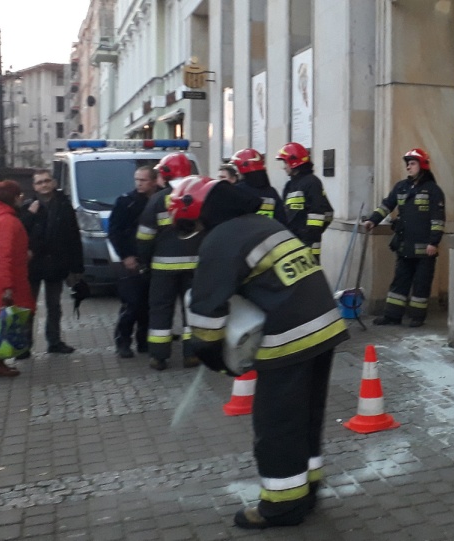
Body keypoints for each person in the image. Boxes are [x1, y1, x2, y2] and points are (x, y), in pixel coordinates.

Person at [171, 176, 348, 529]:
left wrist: (209, 353)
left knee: (277, 424)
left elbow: (206, 315)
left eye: (191, 222)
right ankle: (307, 488)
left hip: (290, 336)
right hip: (325, 326)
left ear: (199, 213)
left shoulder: (221, 239)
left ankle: (281, 507)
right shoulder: (264, 225)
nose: (194, 229)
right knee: (306, 416)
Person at [362, 148, 445, 328]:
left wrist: (434, 242)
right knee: (400, 281)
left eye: (412, 163)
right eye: (407, 163)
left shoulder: (433, 190)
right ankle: (392, 316)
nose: (408, 166)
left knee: (421, 284)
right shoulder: (401, 187)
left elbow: (438, 219)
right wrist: (372, 220)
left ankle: (417, 317)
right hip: (404, 245)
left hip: (425, 248)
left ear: (422, 165)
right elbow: (386, 205)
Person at [137, 152, 200, 371]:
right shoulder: (200, 195)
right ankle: (191, 354)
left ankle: (159, 356)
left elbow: (145, 236)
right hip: (195, 266)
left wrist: (143, 262)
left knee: (160, 310)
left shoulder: (157, 200)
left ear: (165, 174)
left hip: (163, 268)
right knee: (192, 309)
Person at [18, 170, 84, 355]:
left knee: (54, 305)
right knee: (28, 306)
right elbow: (19, 231)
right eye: (39, 182)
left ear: (53, 183)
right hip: (33, 265)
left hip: (56, 264)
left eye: (47, 181)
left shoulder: (64, 205)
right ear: (34, 186)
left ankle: (54, 342)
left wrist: (77, 267)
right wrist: (30, 214)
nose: (44, 185)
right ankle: (24, 345)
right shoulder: (28, 206)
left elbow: (74, 236)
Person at [108, 166, 159, 358]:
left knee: (148, 304)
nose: (138, 183)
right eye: (137, 179)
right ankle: (123, 341)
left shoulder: (159, 200)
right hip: (132, 260)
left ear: (154, 181)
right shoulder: (125, 202)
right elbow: (114, 232)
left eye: (143, 180)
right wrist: (125, 256)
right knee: (132, 304)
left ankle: (143, 341)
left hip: (153, 260)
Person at [0, 181, 36, 377]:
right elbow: (3, 255)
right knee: (5, 323)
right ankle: (0, 364)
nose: (22, 198)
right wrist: (6, 287)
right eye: (20, 195)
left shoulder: (5, 217)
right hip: (10, 281)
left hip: (13, 278)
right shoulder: (7, 221)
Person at [275, 142, 333, 262]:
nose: (284, 167)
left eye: (285, 162)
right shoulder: (290, 185)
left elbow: (322, 213)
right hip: (292, 242)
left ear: (293, 162)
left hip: (308, 246)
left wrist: (308, 236)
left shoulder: (312, 182)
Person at [231, 148, 287, 223]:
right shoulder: (271, 192)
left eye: (237, 169)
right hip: (269, 232)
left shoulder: (237, 191)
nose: (237, 173)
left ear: (243, 168)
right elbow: (282, 219)